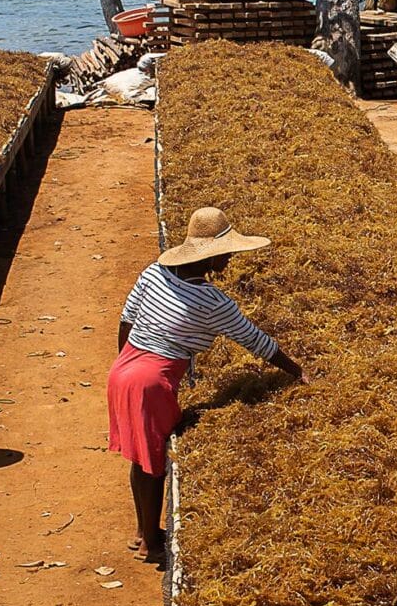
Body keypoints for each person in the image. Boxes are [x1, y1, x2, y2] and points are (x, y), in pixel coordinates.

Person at [108, 206, 307, 564]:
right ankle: (151, 545)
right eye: (227, 252)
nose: (230, 258)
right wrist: (297, 372)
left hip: (124, 368)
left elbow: (126, 319)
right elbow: (256, 341)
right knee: (154, 463)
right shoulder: (213, 302)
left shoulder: (154, 272)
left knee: (141, 457)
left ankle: (143, 529)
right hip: (152, 380)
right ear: (212, 257)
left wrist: (127, 364)